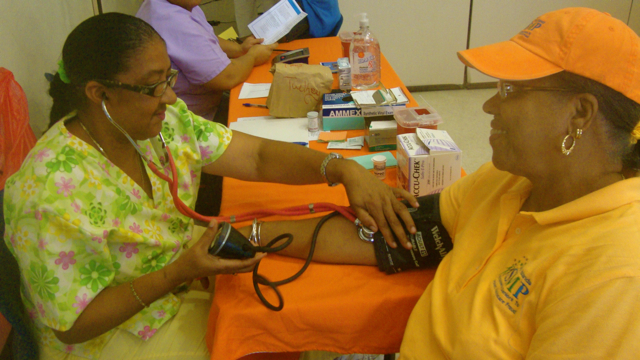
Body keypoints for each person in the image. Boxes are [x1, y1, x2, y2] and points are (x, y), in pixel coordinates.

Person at [2, 13, 418, 360]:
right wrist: (180, 272)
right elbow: (74, 325)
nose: (169, 97)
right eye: (153, 86)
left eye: (169, 78)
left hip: (181, 271)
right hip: (115, 334)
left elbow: (256, 157)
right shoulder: (48, 190)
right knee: (274, 332)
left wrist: (342, 169)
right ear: (99, 94)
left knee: (309, 281)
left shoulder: (160, 123)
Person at [235, 7, 640, 359]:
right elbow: (394, 233)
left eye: (511, 90)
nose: (489, 105)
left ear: (580, 114)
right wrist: (249, 234)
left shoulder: (615, 278)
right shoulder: (508, 181)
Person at [136, 0, 278, 122]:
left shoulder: (174, 5)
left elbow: (205, 36)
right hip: (193, 121)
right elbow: (227, 77)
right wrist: (252, 57)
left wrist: (239, 49)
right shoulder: (172, 20)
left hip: (206, 107)